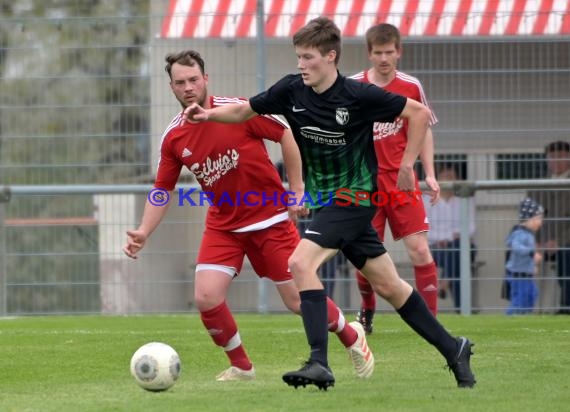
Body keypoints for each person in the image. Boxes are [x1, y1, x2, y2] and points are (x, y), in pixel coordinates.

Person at [183, 17, 476, 390]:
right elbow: (243, 111)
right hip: (327, 203)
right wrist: (208, 114)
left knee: (299, 263)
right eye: (298, 57)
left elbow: (417, 114)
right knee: (390, 286)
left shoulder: (358, 95)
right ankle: (455, 348)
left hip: (356, 197)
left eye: (307, 57)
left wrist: (406, 165)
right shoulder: (291, 90)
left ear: (331, 56)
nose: (301, 64)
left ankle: (319, 362)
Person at [122, 49, 374, 382]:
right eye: (180, 82)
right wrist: (143, 230)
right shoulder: (174, 137)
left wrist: (296, 189)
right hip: (223, 226)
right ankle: (242, 366)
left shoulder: (238, 111)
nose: (188, 87)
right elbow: (162, 190)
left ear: (205, 79)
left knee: (298, 300)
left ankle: (353, 337)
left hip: (270, 220)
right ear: (171, 87)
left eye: (193, 79)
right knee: (206, 296)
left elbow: (286, 134)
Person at [350, 23, 441, 333]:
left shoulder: (411, 86)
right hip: (363, 183)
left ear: (399, 52)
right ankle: (367, 308)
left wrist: (428, 173)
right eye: (379, 53)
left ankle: (429, 321)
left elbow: (424, 130)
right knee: (365, 257)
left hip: (401, 180)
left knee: (419, 249)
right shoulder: (353, 87)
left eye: (390, 52)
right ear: (369, 54)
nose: (385, 58)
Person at [425, 164, 477, 311]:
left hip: (462, 247)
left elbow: (472, 227)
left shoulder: (465, 199)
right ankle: (463, 309)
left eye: (451, 177)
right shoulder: (426, 200)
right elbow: (424, 229)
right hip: (436, 249)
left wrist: (452, 238)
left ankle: (445, 282)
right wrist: (447, 237)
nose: (448, 180)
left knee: (458, 250)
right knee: (458, 261)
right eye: (444, 177)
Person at [528, 141, 570, 314]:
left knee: (567, 254)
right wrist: (534, 241)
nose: (556, 161)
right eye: (552, 157)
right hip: (542, 239)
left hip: (565, 241)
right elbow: (528, 218)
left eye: (561, 156)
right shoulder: (537, 185)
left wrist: (558, 242)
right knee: (516, 250)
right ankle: (519, 305)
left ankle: (566, 306)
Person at [505, 198, 544, 315]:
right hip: (518, 274)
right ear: (528, 218)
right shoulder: (519, 233)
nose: (541, 222)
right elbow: (516, 248)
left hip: (525, 273)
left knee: (532, 293)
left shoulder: (528, 234)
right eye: (539, 219)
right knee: (520, 299)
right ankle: (510, 317)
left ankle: (525, 316)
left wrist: (532, 266)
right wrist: (532, 253)